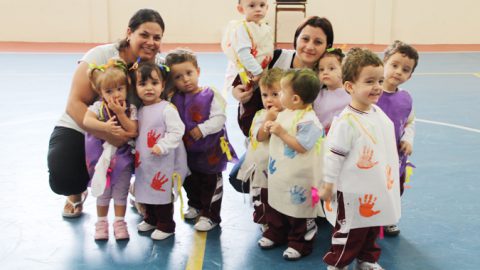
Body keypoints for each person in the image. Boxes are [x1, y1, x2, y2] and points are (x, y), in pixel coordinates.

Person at [47, 9, 166, 218]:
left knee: (167, 141)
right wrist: (105, 133)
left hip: (130, 133)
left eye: (157, 38)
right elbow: (74, 104)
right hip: (84, 126)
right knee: (63, 179)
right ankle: (76, 192)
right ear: (129, 33)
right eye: (144, 35)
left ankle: (139, 189)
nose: (151, 42)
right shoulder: (100, 55)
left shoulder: (158, 67)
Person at [318, 48, 401, 270]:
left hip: (375, 186)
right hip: (353, 190)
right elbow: (334, 156)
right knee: (350, 230)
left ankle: (367, 259)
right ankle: (337, 263)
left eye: (380, 81)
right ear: (350, 86)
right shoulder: (347, 122)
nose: (377, 87)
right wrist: (328, 184)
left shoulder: (377, 113)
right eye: (370, 81)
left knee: (373, 226)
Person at [167, 49, 238, 232]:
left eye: (189, 73)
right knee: (191, 181)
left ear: (197, 71)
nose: (185, 79)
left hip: (210, 152)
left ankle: (210, 215)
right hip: (188, 152)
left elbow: (219, 117)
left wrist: (203, 129)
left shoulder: (210, 94)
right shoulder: (174, 98)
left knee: (210, 183)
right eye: (178, 77)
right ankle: (196, 205)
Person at [258, 69, 324, 261]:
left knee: (300, 210)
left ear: (295, 98)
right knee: (278, 203)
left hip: (301, 177)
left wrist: (280, 133)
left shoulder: (310, 121)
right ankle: (276, 232)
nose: (279, 96)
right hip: (281, 173)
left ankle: (300, 241)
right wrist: (271, 124)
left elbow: (303, 146)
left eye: (281, 93)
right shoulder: (286, 112)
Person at [232, 16, 334, 136]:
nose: (310, 46)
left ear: (328, 46)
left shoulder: (327, 76)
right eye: (305, 39)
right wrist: (237, 92)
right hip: (261, 138)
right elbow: (240, 82)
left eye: (318, 42)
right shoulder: (274, 57)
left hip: (296, 144)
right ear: (296, 39)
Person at [130, 61, 188, 241]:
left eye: (154, 83)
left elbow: (177, 131)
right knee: (146, 188)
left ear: (162, 85)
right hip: (145, 160)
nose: (149, 88)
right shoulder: (139, 110)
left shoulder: (166, 109)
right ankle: (151, 218)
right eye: (143, 84)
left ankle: (166, 225)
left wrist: (162, 145)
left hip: (163, 160)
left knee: (160, 191)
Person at [83, 58, 137, 240]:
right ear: (101, 93)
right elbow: (86, 121)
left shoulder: (130, 109)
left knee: (120, 192)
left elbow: (132, 130)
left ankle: (120, 222)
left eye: (119, 89)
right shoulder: (98, 107)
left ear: (126, 88)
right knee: (103, 193)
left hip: (123, 160)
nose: (115, 95)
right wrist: (105, 127)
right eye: (109, 91)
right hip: (101, 162)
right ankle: (101, 223)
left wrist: (121, 114)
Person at [377, 40, 419, 236]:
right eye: (394, 65)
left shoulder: (406, 98)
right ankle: (369, 219)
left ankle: (389, 218)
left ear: (410, 76)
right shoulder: (372, 93)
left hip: (396, 157)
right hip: (374, 156)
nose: (398, 72)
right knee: (373, 188)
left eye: (405, 69)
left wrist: (408, 139)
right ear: (384, 62)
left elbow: (410, 122)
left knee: (395, 189)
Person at [237, 68, 284, 232]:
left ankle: (282, 222)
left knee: (282, 196)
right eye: (265, 95)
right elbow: (260, 136)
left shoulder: (291, 115)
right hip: (263, 169)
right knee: (263, 197)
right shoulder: (260, 115)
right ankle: (267, 222)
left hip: (283, 169)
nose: (269, 99)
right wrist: (268, 120)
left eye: (275, 94)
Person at [221, 0, 273, 94]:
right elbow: (243, 54)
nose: (258, 9)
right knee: (249, 102)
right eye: (252, 6)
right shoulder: (242, 28)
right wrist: (258, 72)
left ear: (267, 8)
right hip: (249, 75)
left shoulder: (264, 27)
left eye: (262, 5)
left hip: (262, 72)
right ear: (241, 9)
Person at [314, 48, 351, 134]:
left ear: (344, 70)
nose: (325, 72)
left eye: (331, 68)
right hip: (321, 139)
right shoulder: (317, 95)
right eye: (321, 69)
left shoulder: (351, 94)